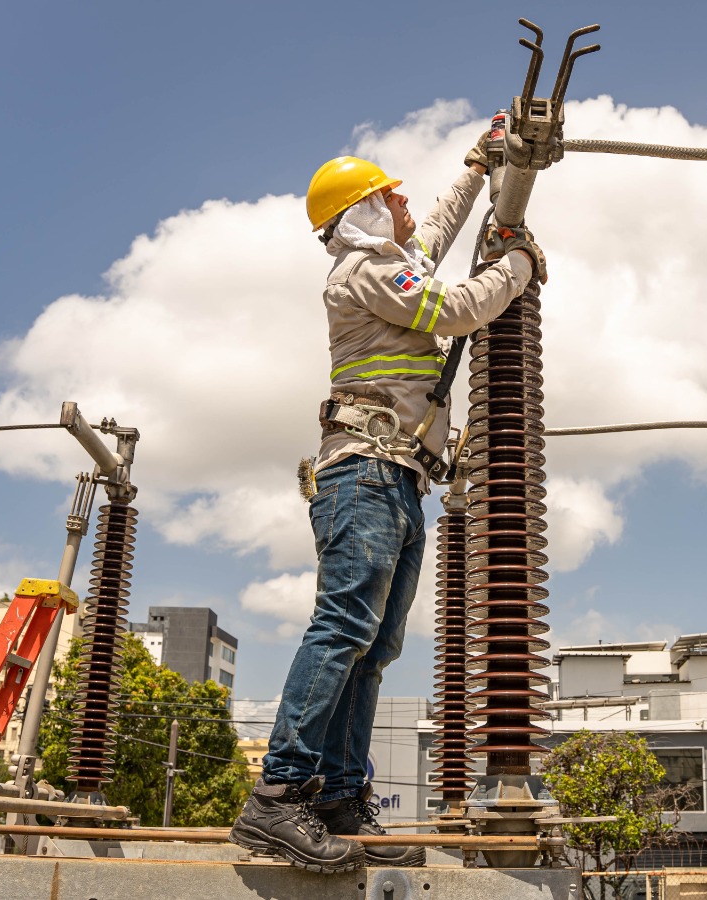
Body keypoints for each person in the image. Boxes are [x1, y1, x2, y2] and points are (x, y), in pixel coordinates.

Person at [231, 127, 545, 873]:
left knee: (373, 650)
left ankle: (339, 797)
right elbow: (459, 307)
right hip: (364, 474)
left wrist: (476, 169)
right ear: (365, 212)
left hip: (397, 477)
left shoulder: (388, 264)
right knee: (344, 627)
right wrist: (520, 266)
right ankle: (278, 794)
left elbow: (432, 232)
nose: (404, 202)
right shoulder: (364, 272)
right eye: (389, 195)